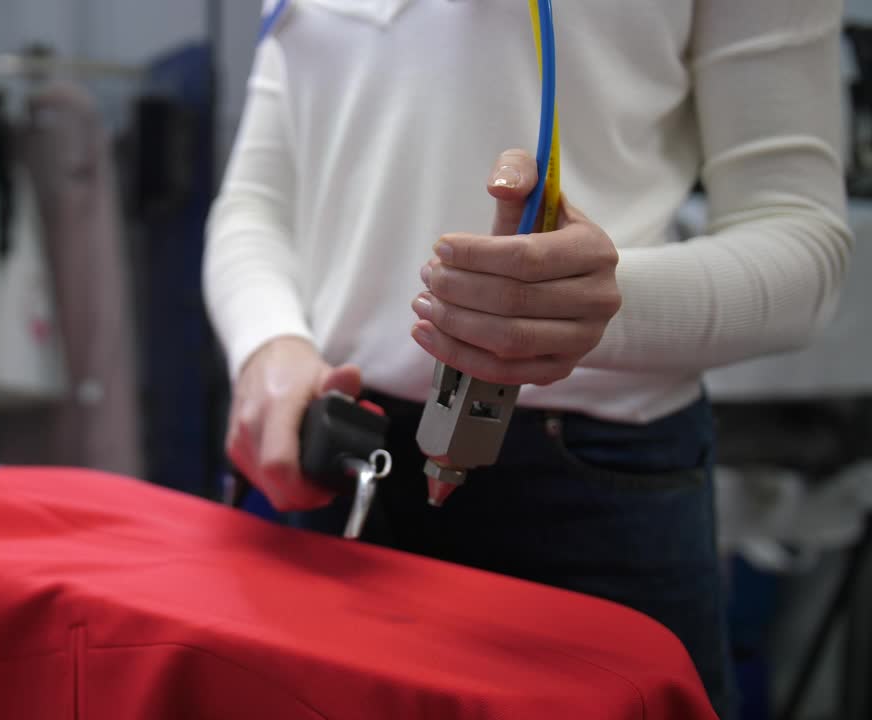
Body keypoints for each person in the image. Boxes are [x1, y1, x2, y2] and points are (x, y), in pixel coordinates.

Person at [203, 1, 853, 717]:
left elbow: (802, 246)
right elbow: (259, 200)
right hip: (334, 455)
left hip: (584, 494)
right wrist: (267, 342)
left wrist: (606, 305)